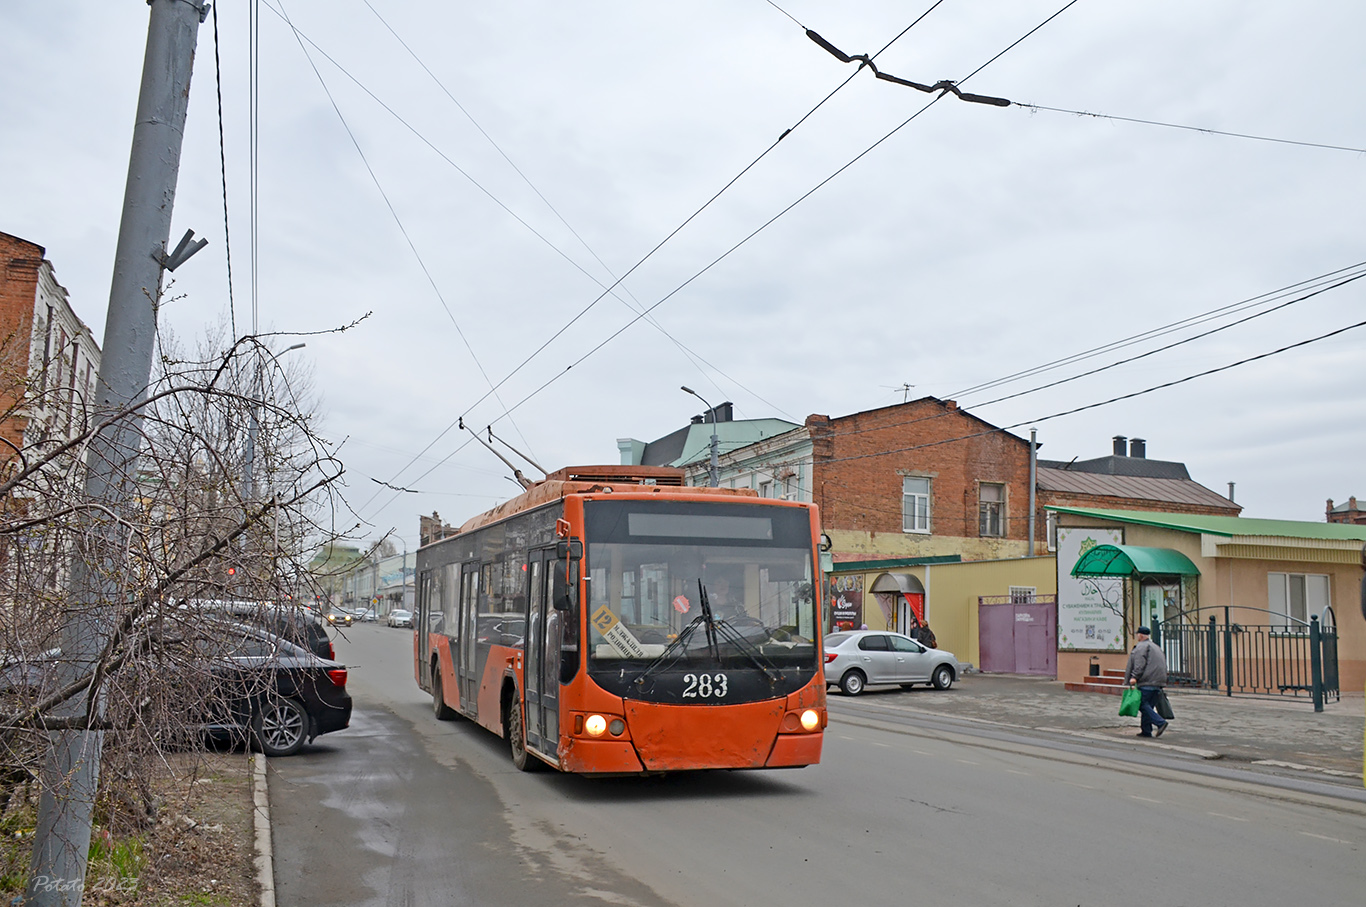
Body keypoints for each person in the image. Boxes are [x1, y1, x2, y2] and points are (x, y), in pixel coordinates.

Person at [1124, 626, 1169, 738]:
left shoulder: (1141, 647)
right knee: (1148, 706)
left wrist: (1134, 677)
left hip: (1147, 681)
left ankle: (1160, 723)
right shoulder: (1156, 647)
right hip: (1158, 682)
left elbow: (1139, 664)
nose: (1137, 636)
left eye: (1137, 634)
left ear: (1141, 635)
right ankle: (1146, 731)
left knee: (1141, 704)